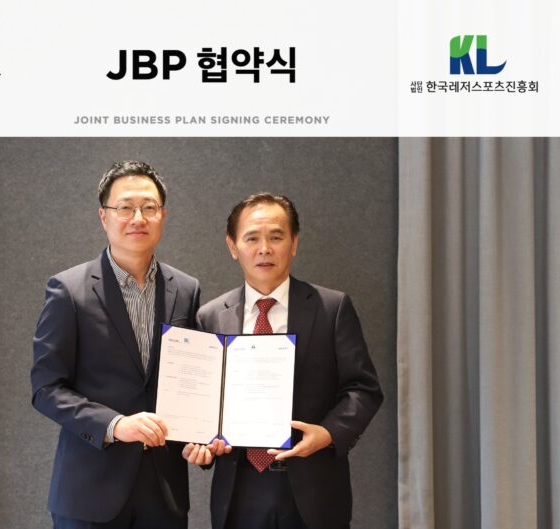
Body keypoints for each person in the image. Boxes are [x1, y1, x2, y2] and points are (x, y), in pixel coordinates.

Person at [184, 193, 383, 529]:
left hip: (314, 487)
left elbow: (363, 388)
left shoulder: (332, 308)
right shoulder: (211, 316)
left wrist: (328, 433)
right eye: (252, 238)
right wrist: (201, 443)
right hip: (239, 489)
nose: (264, 249)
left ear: (294, 243)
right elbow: (203, 404)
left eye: (276, 237)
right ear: (232, 246)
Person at [31, 161, 200, 529]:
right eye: (125, 207)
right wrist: (114, 424)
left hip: (164, 492)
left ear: (163, 215)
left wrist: (205, 434)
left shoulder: (186, 290)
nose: (138, 217)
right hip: (89, 491)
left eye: (149, 207)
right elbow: (46, 389)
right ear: (103, 216)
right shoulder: (68, 290)